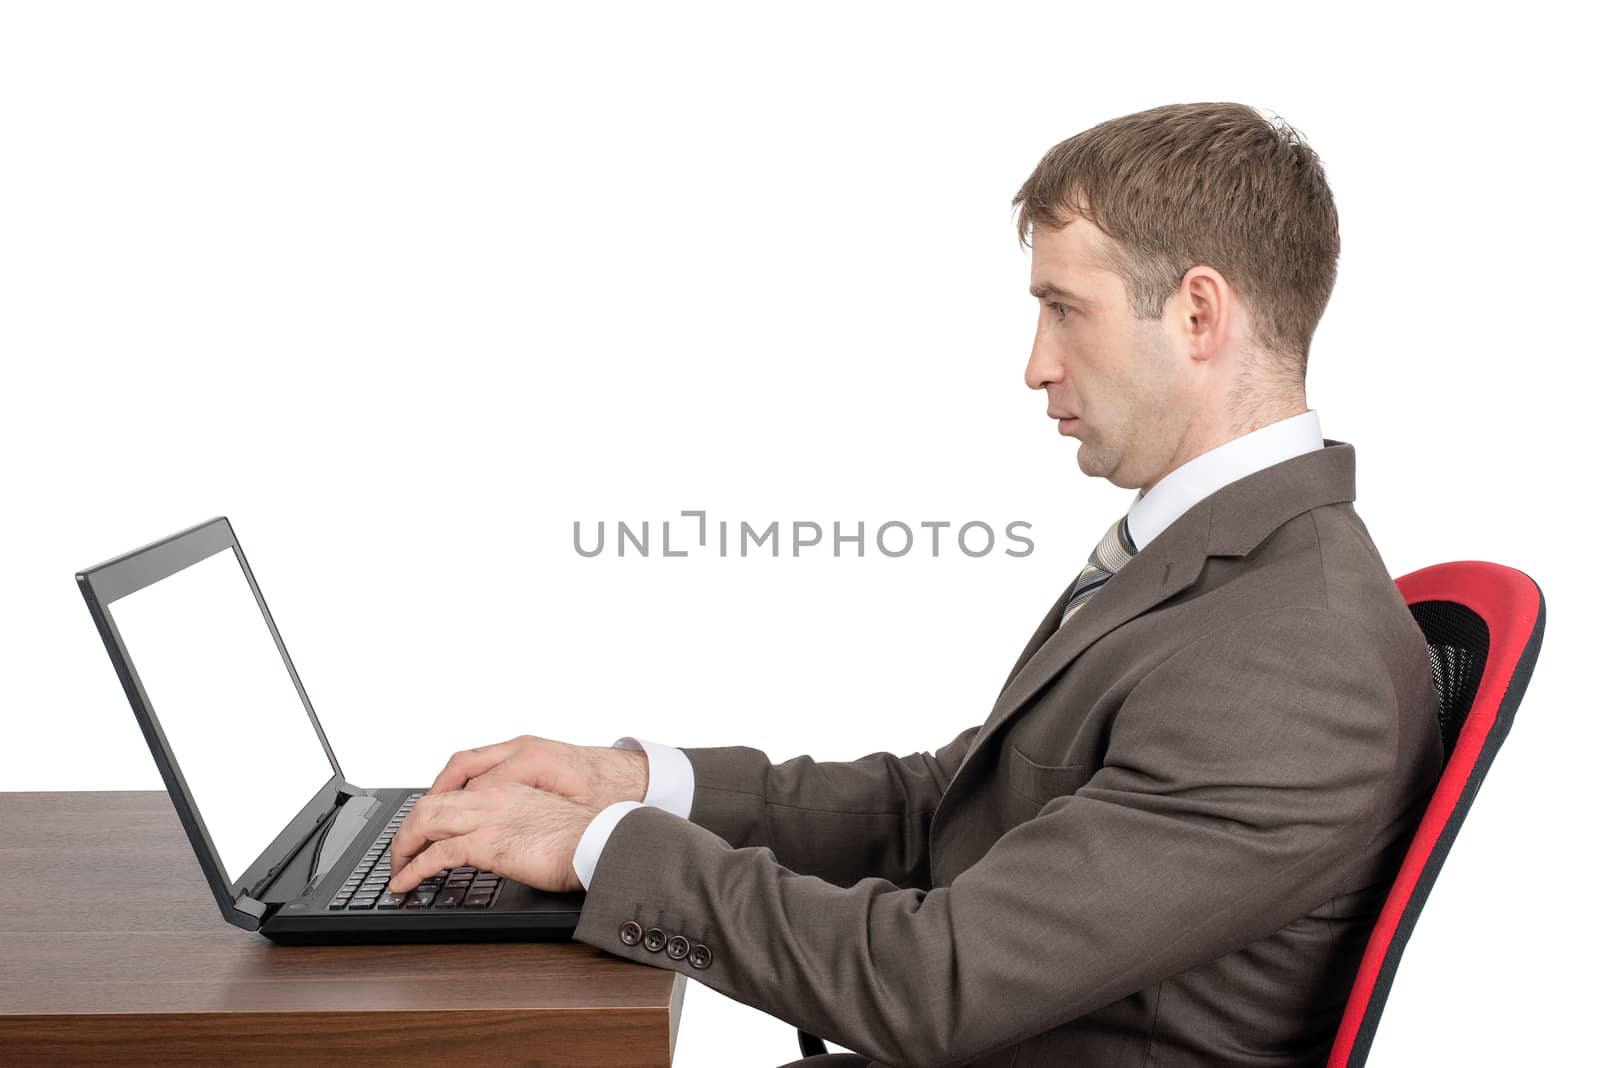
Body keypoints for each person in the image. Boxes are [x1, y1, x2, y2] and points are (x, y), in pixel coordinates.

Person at [388, 101, 1444, 1067]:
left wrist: (603, 851)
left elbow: (935, 983)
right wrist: (638, 786)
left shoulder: (1292, 651)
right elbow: (949, 808)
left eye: (1064, 309)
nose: (1034, 364)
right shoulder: (1209, 563)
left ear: (1199, 315)